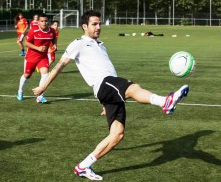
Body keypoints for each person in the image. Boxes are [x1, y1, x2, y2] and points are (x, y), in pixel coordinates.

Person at [32, 10, 189, 180]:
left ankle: (83, 166)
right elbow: (59, 66)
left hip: (108, 88)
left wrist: (105, 104)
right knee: (133, 87)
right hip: (103, 84)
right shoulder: (78, 43)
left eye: (99, 23)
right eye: (94, 24)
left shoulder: (101, 45)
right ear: (84, 26)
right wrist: (43, 87)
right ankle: (165, 102)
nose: (98, 27)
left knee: (117, 135)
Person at [17, 13, 57, 103]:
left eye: (46, 21)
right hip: (31, 57)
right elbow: (27, 43)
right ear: (38, 22)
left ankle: (40, 96)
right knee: (27, 75)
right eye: (42, 21)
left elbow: (54, 38)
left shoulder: (52, 31)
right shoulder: (33, 31)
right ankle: (20, 91)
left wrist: (54, 45)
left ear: (48, 21)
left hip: (43, 57)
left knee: (45, 74)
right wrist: (38, 48)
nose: (44, 23)